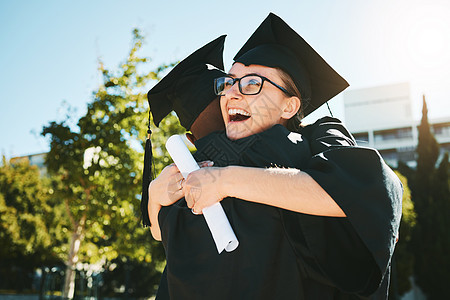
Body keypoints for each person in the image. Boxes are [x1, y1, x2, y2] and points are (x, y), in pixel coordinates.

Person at [147, 13, 403, 299]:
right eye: (228, 83)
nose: (232, 93)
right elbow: (162, 236)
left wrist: (223, 181)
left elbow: (362, 193)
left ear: (290, 106)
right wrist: (155, 195)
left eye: (252, 83)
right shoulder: (197, 172)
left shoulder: (314, 141)